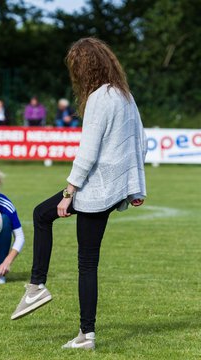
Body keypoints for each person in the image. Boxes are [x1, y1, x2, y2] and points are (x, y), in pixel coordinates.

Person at [11, 37, 147, 349]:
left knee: (45, 218)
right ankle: (80, 328)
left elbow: (87, 151)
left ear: (83, 69)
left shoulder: (100, 97)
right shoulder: (125, 95)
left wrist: (68, 192)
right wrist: (136, 188)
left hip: (96, 189)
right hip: (111, 189)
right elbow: (140, 141)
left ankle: (40, 290)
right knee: (85, 259)